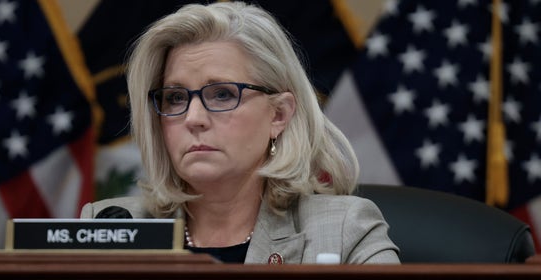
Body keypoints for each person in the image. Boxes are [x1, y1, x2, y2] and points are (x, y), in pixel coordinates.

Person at [80, 1, 399, 264]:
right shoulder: (109, 226)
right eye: (176, 98)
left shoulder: (344, 230)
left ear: (279, 114)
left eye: (222, 94)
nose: (193, 118)